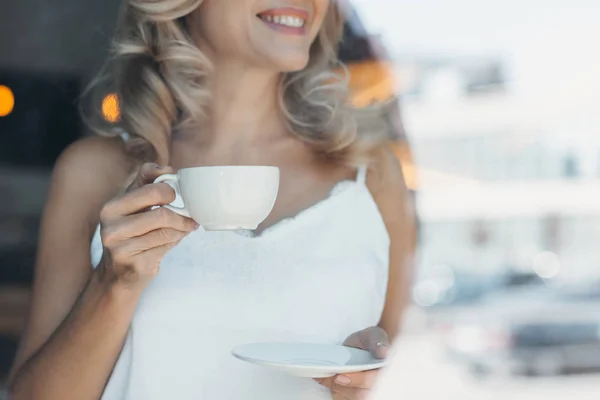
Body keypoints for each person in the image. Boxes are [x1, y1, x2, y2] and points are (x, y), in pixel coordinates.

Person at [8, 0, 415, 399]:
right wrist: (115, 283)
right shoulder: (95, 174)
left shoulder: (371, 175)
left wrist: (361, 384)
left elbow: (394, 365)